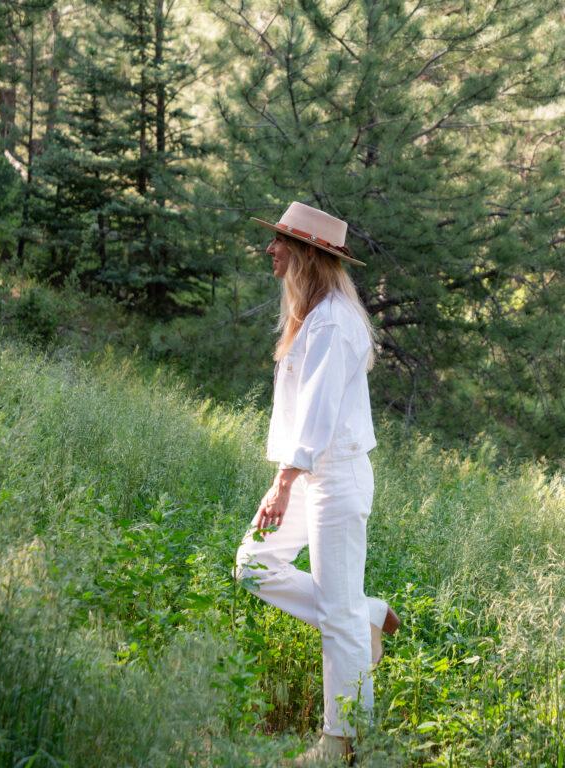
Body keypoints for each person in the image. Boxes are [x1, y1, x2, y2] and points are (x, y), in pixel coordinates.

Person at [233, 201, 400, 765]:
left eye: (280, 241)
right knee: (254, 564)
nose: (270, 249)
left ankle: (341, 743)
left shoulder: (332, 321)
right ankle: (365, 613)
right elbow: (304, 413)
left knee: (337, 618)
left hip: (335, 477)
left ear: (307, 253)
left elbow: (319, 411)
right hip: (310, 473)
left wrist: (283, 483)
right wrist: (287, 477)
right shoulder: (314, 313)